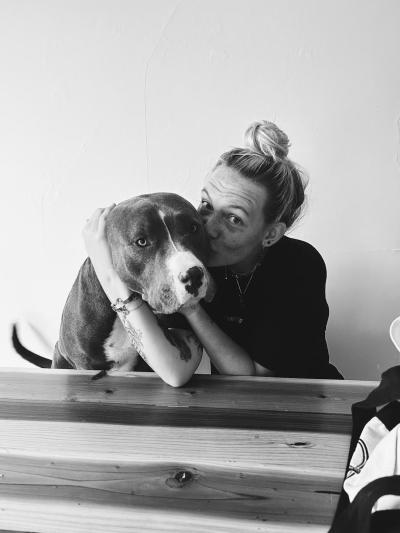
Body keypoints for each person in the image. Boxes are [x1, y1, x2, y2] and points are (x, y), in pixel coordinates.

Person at [83, 120, 343, 386]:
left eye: (233, 218)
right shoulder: (191, 259)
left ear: (270, 235)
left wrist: (112, 278)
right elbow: (175, 369)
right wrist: (113, 270)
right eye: (207, 204)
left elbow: (253, 377)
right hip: (230, 408)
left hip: (310, 402)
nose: (207, 227)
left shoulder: (298, 265)